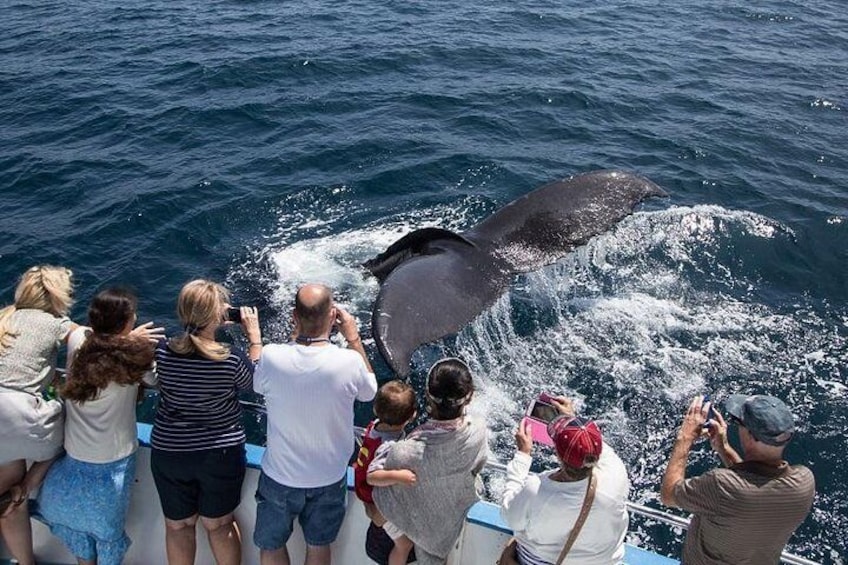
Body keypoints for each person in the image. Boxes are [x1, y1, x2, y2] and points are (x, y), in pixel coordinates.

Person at [252, 283, 377, 565]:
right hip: (329, 477)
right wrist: (354, 339)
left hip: (279, 477)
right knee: (319, 546)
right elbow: (370, 392)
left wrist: (292, 338)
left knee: (270, 546)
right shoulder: (348, 361)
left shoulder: (272, 355)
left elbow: (258, 384)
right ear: (333, 317)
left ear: (294, 316)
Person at [36, 287, 163, 565]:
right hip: (113, 465)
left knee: (83, 542)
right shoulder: (135, 356)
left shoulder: (79, 342)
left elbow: (81, 332)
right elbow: (155, 381)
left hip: (73, 459)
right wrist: (132, 343)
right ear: (127, 323)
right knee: (107, 539)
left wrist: (125, 339)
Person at [150, 279, 262, 565]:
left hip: (170, 452)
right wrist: (254, 339)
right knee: (219, 524)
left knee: (177, 526)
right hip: (218, 455)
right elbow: (254, 382)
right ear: (216, 317)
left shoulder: (162, 352)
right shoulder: (230, 358)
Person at [660, 394, 815, 564]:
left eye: (739, 422)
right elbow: (755, 485)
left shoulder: (720, 484)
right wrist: (723, 448)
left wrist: (685, 436)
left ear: (750, 436)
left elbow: (668, 495)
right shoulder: (804, 483)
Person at [373, 358, 488, 565]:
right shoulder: (478, 432)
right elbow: (477, 468)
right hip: (447, 528)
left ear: (427, 395)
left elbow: (379, 510)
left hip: (412, 530)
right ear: (469, 397)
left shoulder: (402, 452)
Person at [0, 265, 77, 565]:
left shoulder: (4, 318)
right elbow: (91, 340)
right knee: (62, 440)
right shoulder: (56, 324)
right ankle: (25, 491)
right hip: (20, 416)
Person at [499, 397, 630, 565]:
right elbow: (599, 450)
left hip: (539, 560)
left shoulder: (536, 489)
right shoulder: (617, 471)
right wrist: (573, 421)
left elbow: (509, 516)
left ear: (559, 456)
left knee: (509, 550)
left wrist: (522, 455)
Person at [353, 380, 417, 565]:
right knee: (404, 546)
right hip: (376, 499)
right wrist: (400, 476)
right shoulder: (389, 445)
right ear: (412, 416)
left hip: (365, 492)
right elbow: (373, 475)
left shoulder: (375, 425)